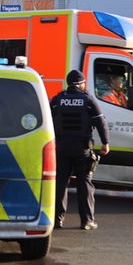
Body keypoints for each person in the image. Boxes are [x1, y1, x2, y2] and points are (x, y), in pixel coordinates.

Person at [50, 69, 110, 230]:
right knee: (84, 184)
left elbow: (47, 120)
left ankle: (57, 220)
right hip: (82, 149)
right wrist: (105, 143)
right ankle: (87, 221)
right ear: (80, 84)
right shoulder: (87, 100)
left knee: (60, 184)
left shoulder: (57, 100)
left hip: (61, 148)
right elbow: (100, 122)